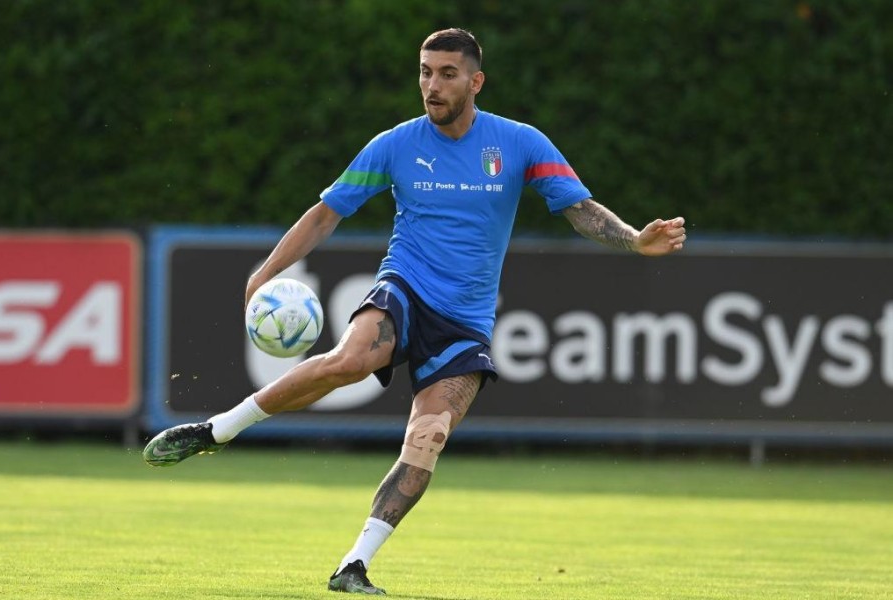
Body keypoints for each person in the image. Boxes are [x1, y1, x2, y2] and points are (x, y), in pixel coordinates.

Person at [143, 28, 686, 595]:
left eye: (447, 73)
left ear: (475, 81)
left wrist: (632, 239)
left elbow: (578, 209)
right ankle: (217, 430)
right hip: (405, 286)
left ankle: (353, 565)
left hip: (466, 321)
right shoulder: (396, 144)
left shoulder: (520, 143)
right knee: (351, 359)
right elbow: (326, 214)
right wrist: (265, 272)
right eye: (425, 72)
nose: (432, 84)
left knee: (427, 438)